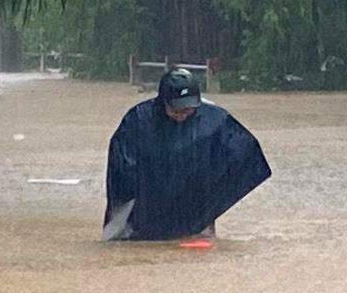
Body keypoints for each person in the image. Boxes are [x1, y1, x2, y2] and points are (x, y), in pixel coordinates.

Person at [102, 69, 271, 243]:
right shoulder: (138, 120)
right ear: (163, 102)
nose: (182, 114)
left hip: (197, 197)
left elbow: (241, 149)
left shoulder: (213, 119)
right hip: (153, 196)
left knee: (201, 240)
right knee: (143, 244)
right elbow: (121, 167)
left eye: (188, 109)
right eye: (176, 110)